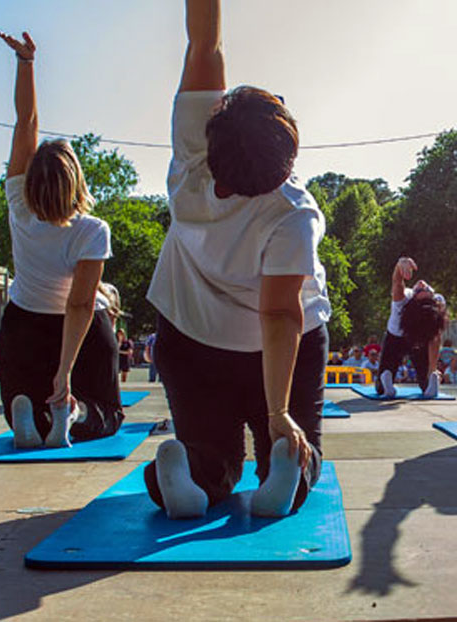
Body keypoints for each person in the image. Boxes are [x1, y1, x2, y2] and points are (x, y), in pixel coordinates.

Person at [143, 0, 330, 520]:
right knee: (290, 452)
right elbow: (279, 313)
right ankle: (283, 474)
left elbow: (205, 42)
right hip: (280, 346)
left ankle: (185, 470)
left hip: (190, 336)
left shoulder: (192, 158)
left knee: (212, 465)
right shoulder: (291, 211)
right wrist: (278, 415)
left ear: (215, 126)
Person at [0, 31, 124, 449]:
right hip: (78, 331)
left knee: (26, 403)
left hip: (23, 324)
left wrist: (26, 63)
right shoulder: (90, 230)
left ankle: (27, 412)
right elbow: (80, 304)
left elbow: (25, 122)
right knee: (107, 416)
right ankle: (74, 413)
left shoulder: (19, 203)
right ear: (76, 180)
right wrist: (65, 372)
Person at [375, 257, 448, 399]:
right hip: (409, 340)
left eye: (422, 288)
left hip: (398, 339)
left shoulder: (404, 299)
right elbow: (435, 339)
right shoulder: (438, 302)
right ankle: (428, 382)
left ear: (414, 296)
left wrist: (399, 266)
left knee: (381, 384)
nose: (421, 283)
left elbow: (397, 282)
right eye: (424, 287)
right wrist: (432, 369)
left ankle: (386, 381)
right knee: (425, 375)